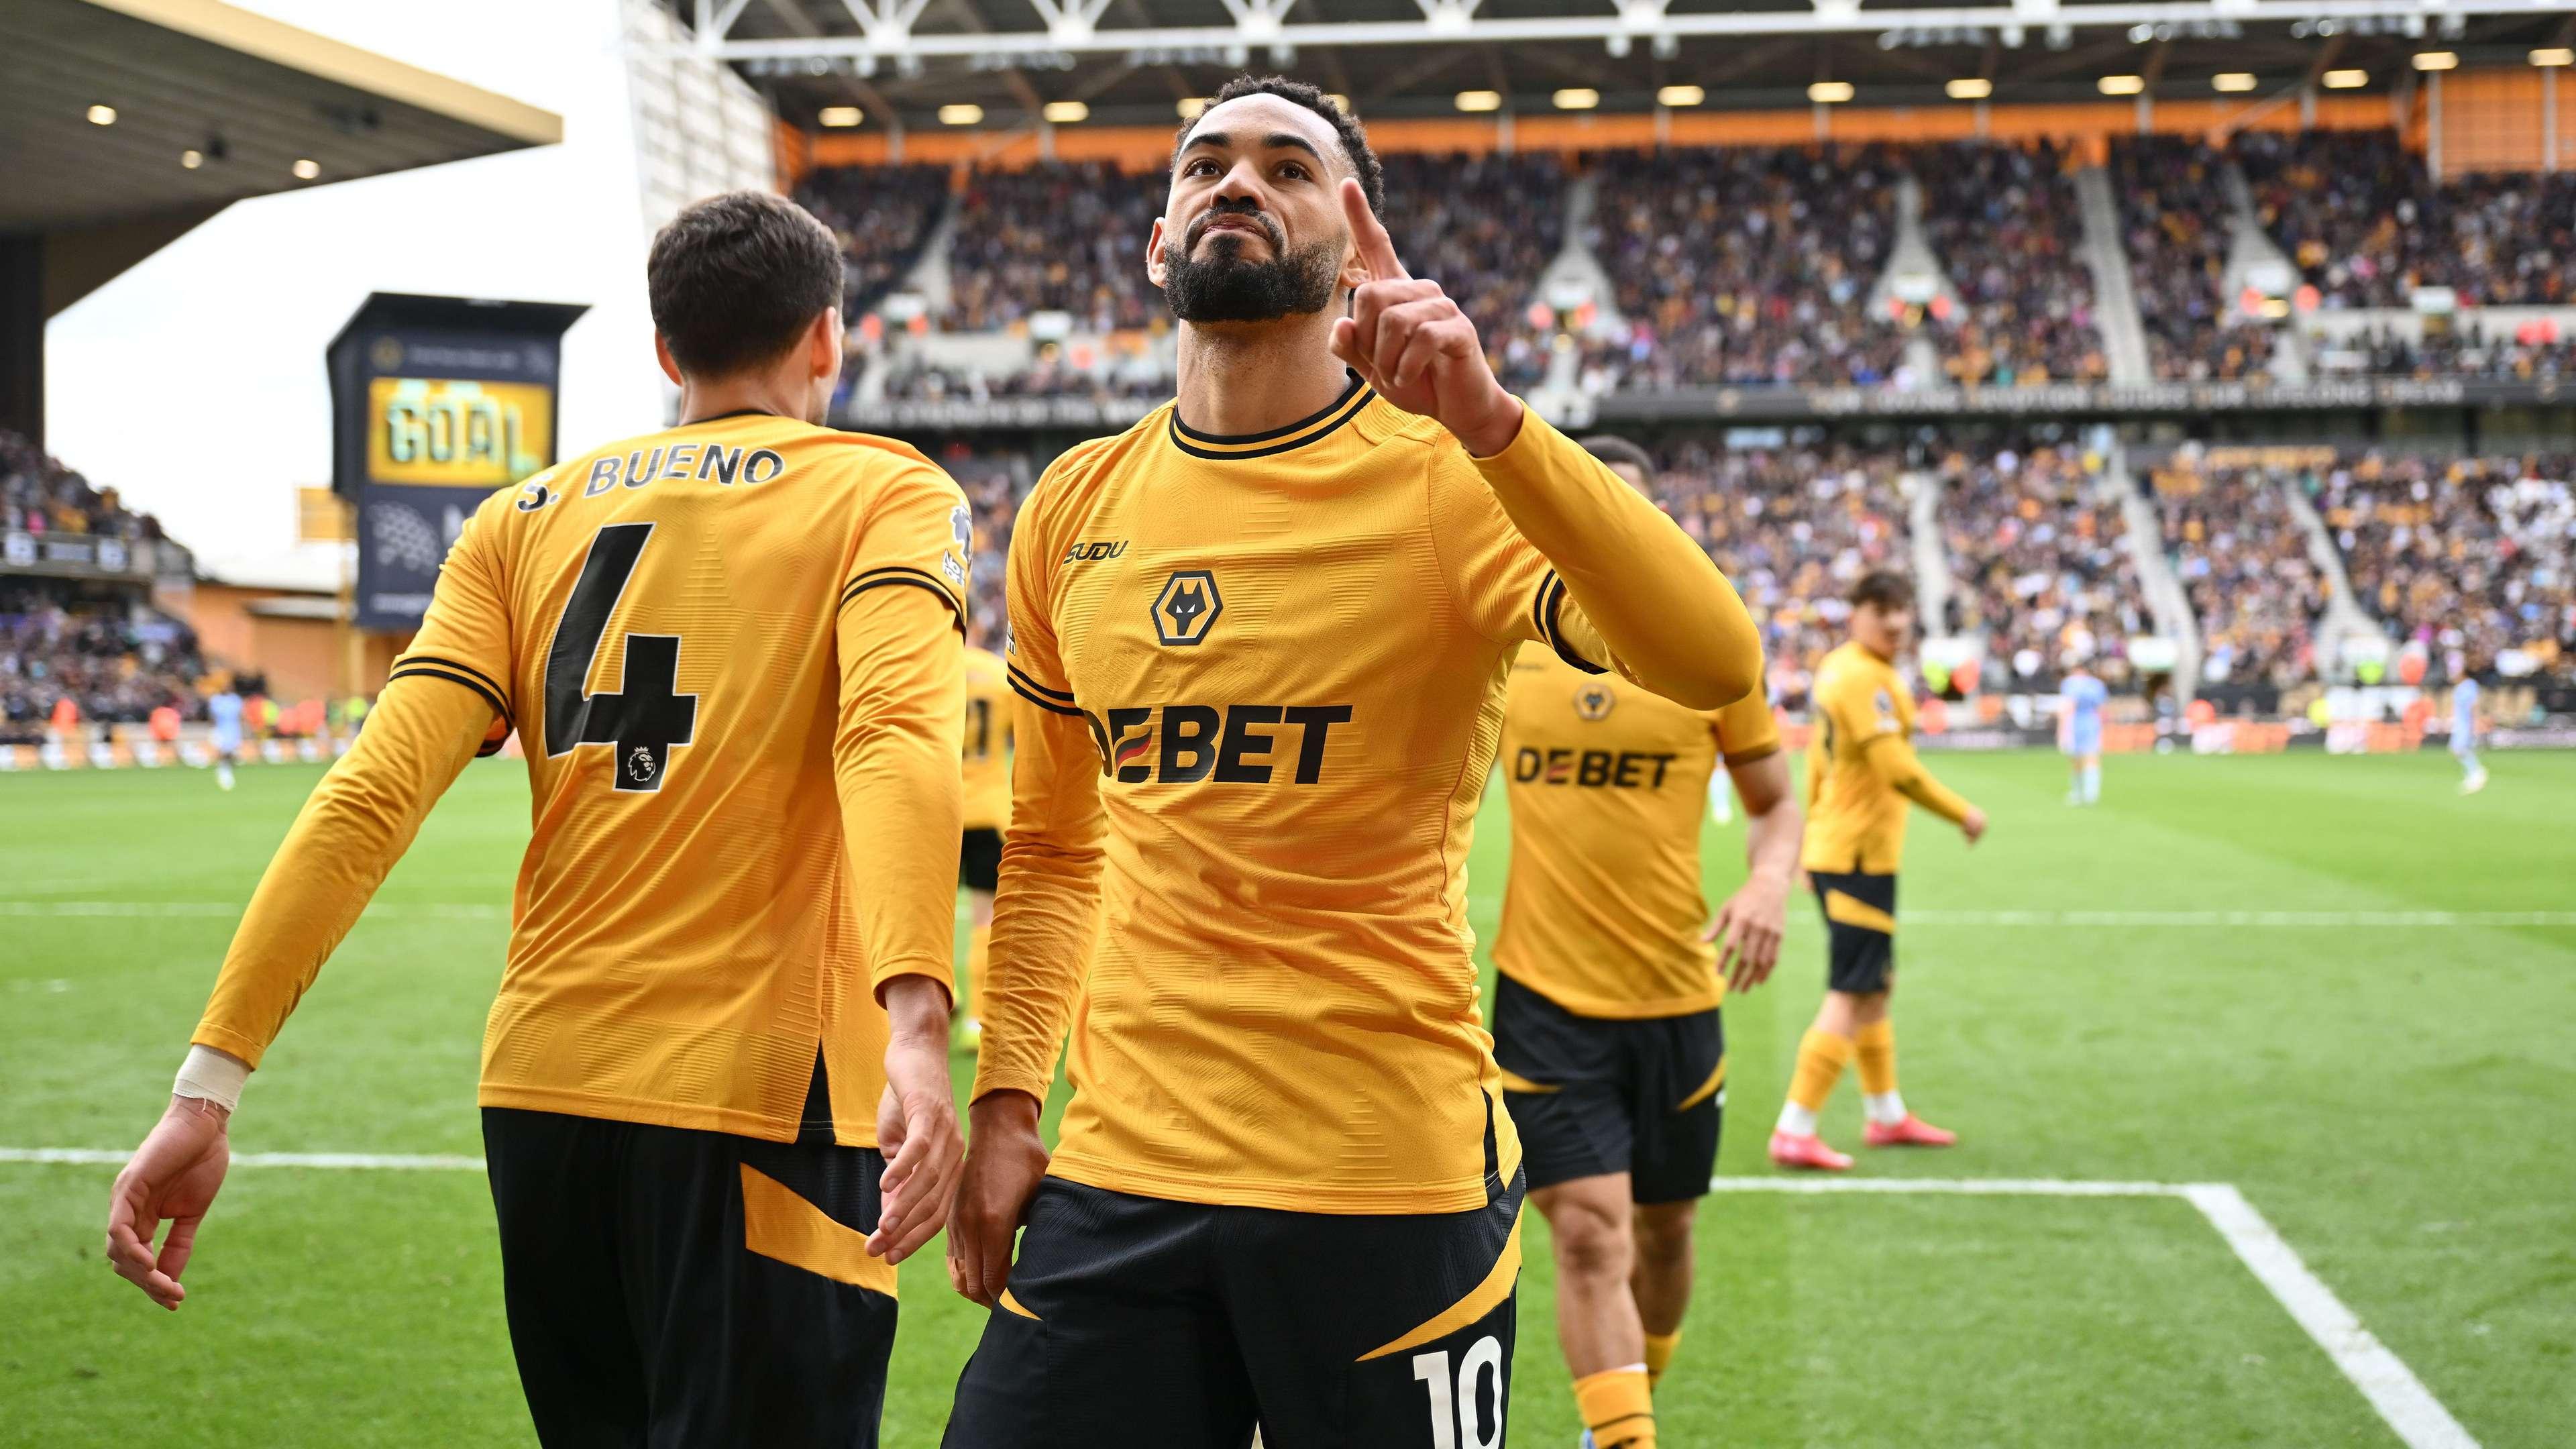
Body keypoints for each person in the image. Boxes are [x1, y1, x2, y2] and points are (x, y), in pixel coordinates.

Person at [941, 75, 1761, 1449]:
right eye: (1205, 165)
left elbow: (1714, 661)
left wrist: (1495, 423)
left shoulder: (1451, 478)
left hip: (1383, 1182)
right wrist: (1012, 1098)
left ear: (1353, 240)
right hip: (1122, 1175)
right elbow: (1053, 847)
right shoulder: (1071, 507)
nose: (1237, 184)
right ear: (1159, 239)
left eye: (1287, 168)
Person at [103, 191, 971, 1449]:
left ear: (666, 352)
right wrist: (917, 1018)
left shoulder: (516, 520)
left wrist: (209, 1084)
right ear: (828, 340)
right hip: (761, 1098)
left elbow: (370, 793)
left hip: (543, 1097)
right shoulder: (886, 493)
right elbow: (894, 738)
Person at [1489, 437, 1804, 1449]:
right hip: (1542, 1002)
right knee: (1588, 1235)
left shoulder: (1707, 659)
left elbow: (1774, 805)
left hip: (1677, 998)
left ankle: (1633, 1399)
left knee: (1666, 1235)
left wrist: (1766, 879)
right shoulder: (1506, 639)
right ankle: (1624, 1439)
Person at [1770, 570, 1986, 1172]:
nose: (1895, 621)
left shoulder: (1842, 667)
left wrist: (1808, 835)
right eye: (1881, 609)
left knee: (1875, 983)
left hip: (1843, 848)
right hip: (1857, 854)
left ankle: (1886, 1115)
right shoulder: (1866, 677)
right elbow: (1898, 769)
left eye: (1902, 610)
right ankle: (1796, 1126)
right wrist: (1962, 812)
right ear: (1856, 613)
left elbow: (1819, 756)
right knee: (1854, 986)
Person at [955, 623, 1014, 1047]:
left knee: (927, 914)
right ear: (975, 625)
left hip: (937, 807)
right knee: (984, 917)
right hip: (988, 809)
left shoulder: (929, 671)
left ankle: (944, 998)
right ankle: (977, 1020)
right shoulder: (998, 674)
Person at [2059, 662, 2107, 806]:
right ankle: (2088, 792)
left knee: (2082, 758)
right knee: (2084, 757)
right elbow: (2101, 706)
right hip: (2090, 721)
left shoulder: (2071, 683)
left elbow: (2068, 706)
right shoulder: (2097, 684)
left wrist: (2062, 729)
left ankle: (2084, 792)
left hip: (2078, 722)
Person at [2451, 667, 2486, 795]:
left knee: (2459, 749)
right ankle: (2472, 773)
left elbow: (2474, 705)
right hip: (2460, 723)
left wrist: (2476, 722)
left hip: (2466, 723)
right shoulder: (2459, 687)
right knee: (2458, 750)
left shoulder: (2470, 685)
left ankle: (2476, 772)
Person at [205, 684, 244, 792]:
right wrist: (212, 730)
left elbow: (240, 714)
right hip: (221, 728)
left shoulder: (235, 699)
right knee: (222, 750)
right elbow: (212, 716)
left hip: (233, 728)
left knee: (231, 751)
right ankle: (223, 770)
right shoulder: (216, 700)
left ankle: (227, 768)